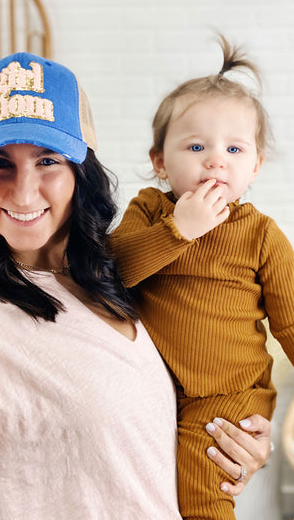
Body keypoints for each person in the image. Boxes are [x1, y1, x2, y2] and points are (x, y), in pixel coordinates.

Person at [0, 52, 271, 520]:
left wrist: (238, 442)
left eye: (48, 161)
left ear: (82, 170)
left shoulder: (117, 271)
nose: (23, 192)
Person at [109, 35, 294, 520]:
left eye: (235, 148)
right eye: (196, 146)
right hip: (154, 388)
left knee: (201, 490)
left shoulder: (259, 234)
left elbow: (290, 324)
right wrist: (178, 232)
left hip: (228, 391)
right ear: (159, 162)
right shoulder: (149, 212)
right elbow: (113, 272)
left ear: (254, 167)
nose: (216, 160)